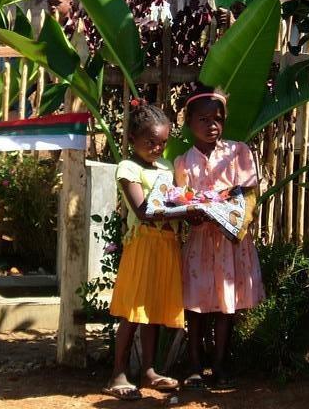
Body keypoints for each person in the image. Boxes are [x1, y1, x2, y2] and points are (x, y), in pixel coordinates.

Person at [102, 101, 205, 401]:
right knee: (134, 312)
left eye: (162, 143)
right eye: (150, 142)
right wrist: (187, 211)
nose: (158, 148)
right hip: (143, 244)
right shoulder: (128, 168)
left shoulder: (167, 167)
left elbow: (174, 198)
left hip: (166, 245)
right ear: (132, 138)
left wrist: (191, 205)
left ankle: (149, 370)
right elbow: (145, 210)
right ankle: (117, 373)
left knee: (155, 311)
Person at [174, 86, 265, 391]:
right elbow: (182, 200)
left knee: (227, 305)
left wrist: (237, 219)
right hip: (201, 243)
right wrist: (191, 213)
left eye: (217, 118)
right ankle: (195, 365)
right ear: (189, 122)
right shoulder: (183, 162)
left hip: (230, 243)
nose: (211, 125)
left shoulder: (238, 153)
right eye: (203, 119)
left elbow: (248, 193)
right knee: (197, 306)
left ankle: (221, 364)